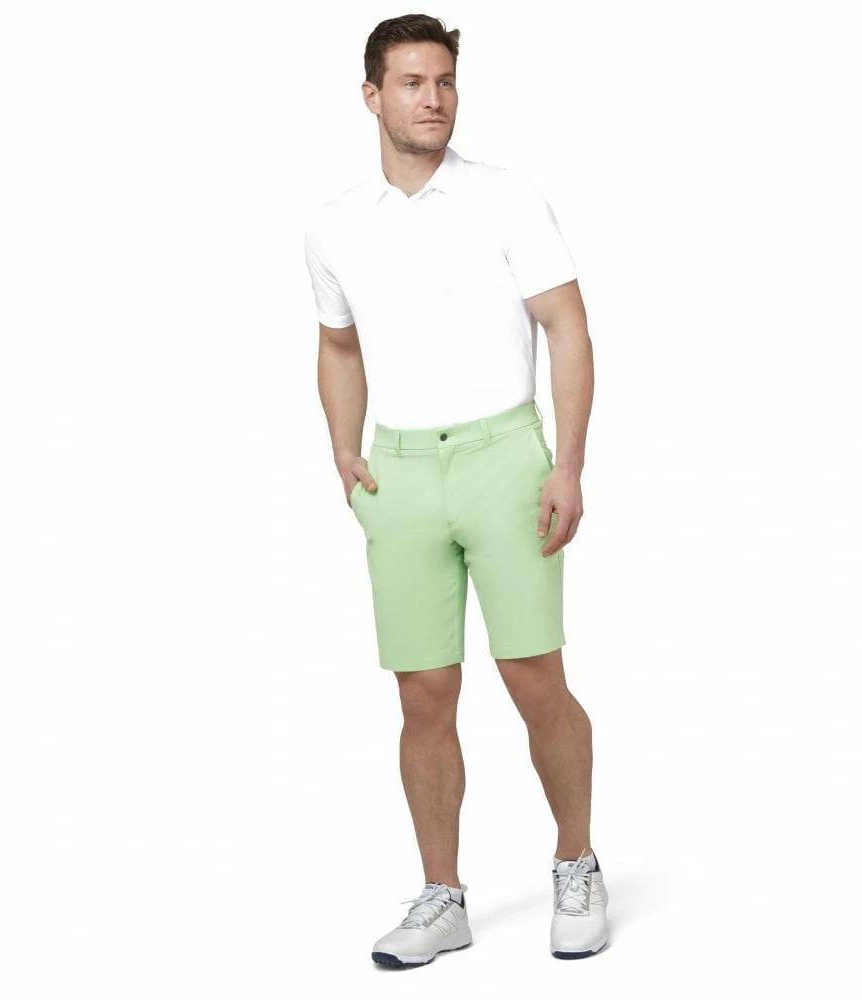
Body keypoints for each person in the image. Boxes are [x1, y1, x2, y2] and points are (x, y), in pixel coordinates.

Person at [303, 14, 606, 965]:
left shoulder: (505, 198)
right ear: (371, 96)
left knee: (533, 675)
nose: (432, 99)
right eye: (411, 83)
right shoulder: (335, 225)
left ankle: (576, 863)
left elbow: (568, 326)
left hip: (504, 458)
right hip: (399, 471)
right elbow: (338, 345)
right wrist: (343, 450)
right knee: (424, 694)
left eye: (444, 82)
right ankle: (444, 897)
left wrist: (567, 462)